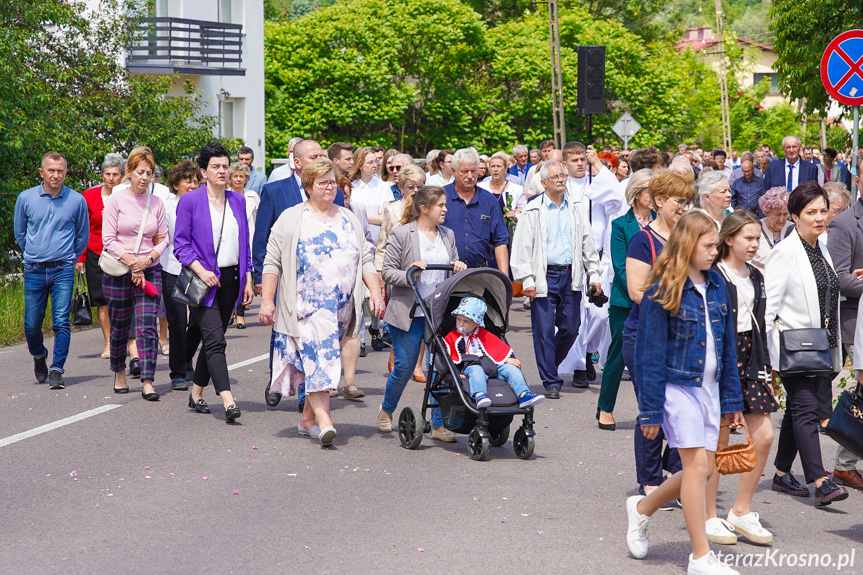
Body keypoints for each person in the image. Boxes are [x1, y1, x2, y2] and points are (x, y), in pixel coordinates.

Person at [626, 209, 744, 575]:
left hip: (709, 388)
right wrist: (649, 411)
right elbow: (648, 354)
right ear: (688, 245)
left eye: (717, 245)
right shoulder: (662, 289)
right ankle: (700, 557)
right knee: (695, 468)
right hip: (676, 388)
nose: (715, 252)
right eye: (708, 246)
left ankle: (642, 508)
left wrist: (731, 401)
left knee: (705, 470)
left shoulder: (719, 285)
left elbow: (726, 350)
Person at [260, 158, 385, 446]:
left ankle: (307, 420)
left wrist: (376, 292)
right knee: (321, 361)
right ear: (308, 187)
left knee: (322, 361)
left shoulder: (348, 217)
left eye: (333, 182)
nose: (330, 188)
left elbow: (365, 259)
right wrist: (268, 301)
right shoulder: (292, 218)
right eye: (323, 183)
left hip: (341, 309)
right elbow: (272, 262)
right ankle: (326, 421)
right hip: (306, 307)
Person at [765, 181, 848, 505]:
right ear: (795, 216)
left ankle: (783, 473)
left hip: (822, 346)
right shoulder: (784, 253)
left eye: (823, 211)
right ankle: (820, 479)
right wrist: (770, 362)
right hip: (794, 346)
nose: (819, 217)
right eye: (810, 212)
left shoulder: (822, 247)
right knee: (805, 410)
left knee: (797, 413)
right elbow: (769, 310)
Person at [254, 139, 345, 409]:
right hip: (286, 275)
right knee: (284, 330)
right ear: (297, 163)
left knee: (316, 334)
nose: (321, 159)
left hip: (321, 280)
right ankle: (277, 379)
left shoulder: (334, 193)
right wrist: (261, 278)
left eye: (322, 155)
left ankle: (308, 391)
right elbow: (263, 239)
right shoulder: (274, 191)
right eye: (314, 156)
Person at [706, 210, 777, 546]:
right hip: (721, 359)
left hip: (751, 358)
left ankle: (741, 510)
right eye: (748, 238)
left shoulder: (756, 275)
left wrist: (767, 366)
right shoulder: (714, 275)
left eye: (757, 238)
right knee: (717, 445)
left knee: (763, 436)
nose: (754, 244)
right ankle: (708, 515)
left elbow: (761, 323)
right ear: (729, 238)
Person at [623, 170, 694, 503]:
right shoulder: (643, 240)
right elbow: (637, 291)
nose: (683, 208)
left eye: (687, 202)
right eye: (679, 202)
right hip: (645, 335)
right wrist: (680, 298)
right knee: (652, 408)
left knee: (682, 409)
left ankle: (672, 471)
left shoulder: (688, 238)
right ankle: (650, 480)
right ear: (660, 200)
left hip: (682, 335)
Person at [174, 142, 254, 423]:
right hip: (202, 281)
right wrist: (200, 270)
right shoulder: (190, 201)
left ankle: (196, 393)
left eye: (225, 166)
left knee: (211, 342)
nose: (222, 171)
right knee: (216, 341)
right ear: (204, 171)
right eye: (216, 167)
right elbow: (181, 246)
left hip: (231, 279)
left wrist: (248, 277)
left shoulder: (238, 200)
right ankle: (228, 399)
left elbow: (245, 243)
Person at [378, 185, 465, 441]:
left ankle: (438, 425)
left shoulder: (447, 235)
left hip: (438, 312)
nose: (446, 209)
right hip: (408, 311)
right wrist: (410, 272)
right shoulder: (403, 234)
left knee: (440, 369)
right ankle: (386, 410)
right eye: (441, 205)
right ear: (424, 208)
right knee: (405, 367)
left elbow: (453, 265)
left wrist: (457, 267)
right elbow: (387, 271)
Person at [511, 159, 602, 398]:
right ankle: (551, 380)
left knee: (572, 327)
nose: (562, 179)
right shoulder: (532, 210)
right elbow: (521, 248)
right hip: (543, 274)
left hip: (571, 273)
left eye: (563, 175)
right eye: (556, 177)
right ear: (543, 183)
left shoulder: (576, 209)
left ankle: (550, 365)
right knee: (543, 330)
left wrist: (594, 274)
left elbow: (587, 244)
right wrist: (527, 280)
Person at [15, 151, 89, 389]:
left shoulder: (76, 200)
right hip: (34, 269)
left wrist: (67, 256)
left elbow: (82, 235)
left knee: (60, 322)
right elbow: (20, 232)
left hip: (63, 270)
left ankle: (57, 369)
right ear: (41, 173)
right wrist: (35, 252)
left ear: (66, 172)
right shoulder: (26, 198)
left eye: (60, 171)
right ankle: (39, 354)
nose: (56, 175)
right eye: (51, 170)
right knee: (31, 324)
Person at [101, 146, 168, 398]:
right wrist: (132, 263)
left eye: (149, 173)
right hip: (119, 271)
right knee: (119, 325)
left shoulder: (157, 203)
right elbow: (108, 238)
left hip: (149, 271)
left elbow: (163, 239)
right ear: (128, 172)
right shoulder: (116, 200)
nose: (144, 177)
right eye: (140, 172)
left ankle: (148, 380)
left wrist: (146, 261)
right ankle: (119, 372)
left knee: (147, 326)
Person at [560, 141, 625, 388]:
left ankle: (590, 352)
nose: (579, 164)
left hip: (597, 259)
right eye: (574, 160)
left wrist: (597, 164)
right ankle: (579, 365)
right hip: (572, 260)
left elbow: (615, 198)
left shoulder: (595, 183)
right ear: (565, 163)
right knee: (577, 316)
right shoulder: (562, 186)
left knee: (599, 314)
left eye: (582, 160)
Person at [598, 169, 655, 431]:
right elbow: (621, 268)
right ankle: (605, 408)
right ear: (636, 194)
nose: (655, 197)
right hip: (626, 302)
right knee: (619, 355)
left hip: (657, 299)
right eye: (649, 191)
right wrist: (641, 292)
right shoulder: (621, 225)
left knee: (651, 358)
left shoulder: (660, 222)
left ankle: (649, 410)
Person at [76, 153, 137, 362]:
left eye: (116, 174)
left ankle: (129, 341)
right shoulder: (89, 195)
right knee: (101, 300)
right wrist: (81, 257)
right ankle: (109, 343)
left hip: (121, 254)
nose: (111, 178)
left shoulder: (129, 195)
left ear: (122, 176)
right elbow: (82, 228)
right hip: (95, 252)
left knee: (123, 300)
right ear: (102, 175)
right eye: (107, 174)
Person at [826, 186, 863, 489]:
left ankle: (845, 463)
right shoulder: (845, 223)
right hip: (856, 322)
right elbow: (841, 278)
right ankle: (843, 465)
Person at [445, 297, 544, 408]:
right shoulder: (453, 337)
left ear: (477, 323)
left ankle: (524, 394)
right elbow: (451, 357)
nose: (461, 324)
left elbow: (496, 349)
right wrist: (457, 372)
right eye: (458, 319)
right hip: (470, 366)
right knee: (476, 371)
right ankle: (480, 395)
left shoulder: (485, 335)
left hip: (493, 365)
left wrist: (506, 359)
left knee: (512, 370)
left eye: (466, 321)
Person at [154, 160, 201, 390]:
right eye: (187, 181)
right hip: (171, 268)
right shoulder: (166, 205)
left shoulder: (203, 203)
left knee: (198, 322)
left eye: (195, 181)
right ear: (175, 184)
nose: (192, 185)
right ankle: (178, 372)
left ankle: (187, 359)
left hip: (198, 269)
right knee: (178, 321)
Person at [442, 148, 509, 274]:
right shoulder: (440, 197)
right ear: (453, 171)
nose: (470, 176)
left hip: (480, 274)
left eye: (473, 171)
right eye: (464, 171)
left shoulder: (489, 200)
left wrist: (504, 279)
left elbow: (500, 240)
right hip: (446, 272)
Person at [336, 174, 373, 398]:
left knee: (354, 329)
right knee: (331, 334)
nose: (346, 201)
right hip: (329, 283)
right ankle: (329, 383)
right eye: (343, 196)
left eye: (348, 196)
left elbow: (366, 239)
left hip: (353, 280)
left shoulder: (357, 211)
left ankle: (349, 383)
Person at [228, 161, 260, 329]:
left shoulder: (252, 196)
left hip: (249, 240)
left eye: (241, 176)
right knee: (231, 279)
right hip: (231, 241)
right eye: (235, 176)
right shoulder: (225, 195)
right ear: (230, 178)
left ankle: (240, 314)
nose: (238, 179)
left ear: (246, 179)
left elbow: (259, 219)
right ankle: (231, 311)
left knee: (244, 278)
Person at [349, 146, 395, 243]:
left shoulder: (384, 187)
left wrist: (358, 216)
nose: (375, 165)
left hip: (377, 236)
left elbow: (384, 218)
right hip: (354, 236)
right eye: (370, 163)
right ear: (360, 166)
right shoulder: (350, 188)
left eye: (376, 162)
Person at [751, 187, 792, 272]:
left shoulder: (793, 229)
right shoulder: (754, 228)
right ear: (767, 212)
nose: (781, 219)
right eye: (777, 215)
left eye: (785, 214)